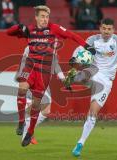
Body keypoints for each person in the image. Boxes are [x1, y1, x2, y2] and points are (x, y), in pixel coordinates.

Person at [6, 5, 96, 147]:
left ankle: (29, 131)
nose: (45, 19)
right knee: (23, 89)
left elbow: (71, 36)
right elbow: (8, 32)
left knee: (40, 106)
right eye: (42, 16)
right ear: (36, 17)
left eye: (47, 17)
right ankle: (22, 123)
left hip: (44, 72)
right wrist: (19, 27)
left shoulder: (54, 30)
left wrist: (86, 46)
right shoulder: (29, 32)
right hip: (29, 68)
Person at [64, 18, 117, 157]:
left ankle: (80, 143)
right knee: (83, 69)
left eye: (109, 29)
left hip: (106, 81)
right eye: (104, 28)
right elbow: (80, 48)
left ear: (113, 30)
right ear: (100, 28)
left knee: (92, 113)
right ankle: (72, 78)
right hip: (93, 72)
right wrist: (74, 58)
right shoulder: (93, 39)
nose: (106, 31)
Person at [18, 47, 65, 144]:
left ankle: (28, 130)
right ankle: (27, 134)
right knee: (33, 108)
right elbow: (23, 62)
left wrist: (63, 78)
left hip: (45, 81)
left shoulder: (52, 48)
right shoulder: (30, 46)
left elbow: (55, 65)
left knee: (46, 111)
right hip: (32, 78)